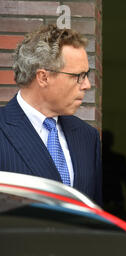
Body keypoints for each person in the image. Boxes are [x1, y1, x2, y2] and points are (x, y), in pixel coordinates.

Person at [0, 25, 102, 206]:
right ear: (43, 77)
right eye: (78, 76)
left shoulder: (87, 137)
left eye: (87, 75)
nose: (86, 85)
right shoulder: (3, 130)